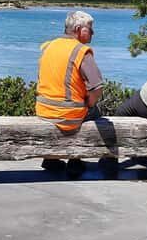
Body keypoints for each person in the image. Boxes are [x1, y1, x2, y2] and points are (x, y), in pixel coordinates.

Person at [36, 11, 104, 176]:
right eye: (90, 28)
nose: (93, 33)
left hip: (43, 110)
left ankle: (51, 158)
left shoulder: (48, 46)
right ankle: (76, 159)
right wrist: (89, 103)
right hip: (67, 115)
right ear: (79, 29)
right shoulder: (81, 51)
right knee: (95, 112)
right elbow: (97, 87)